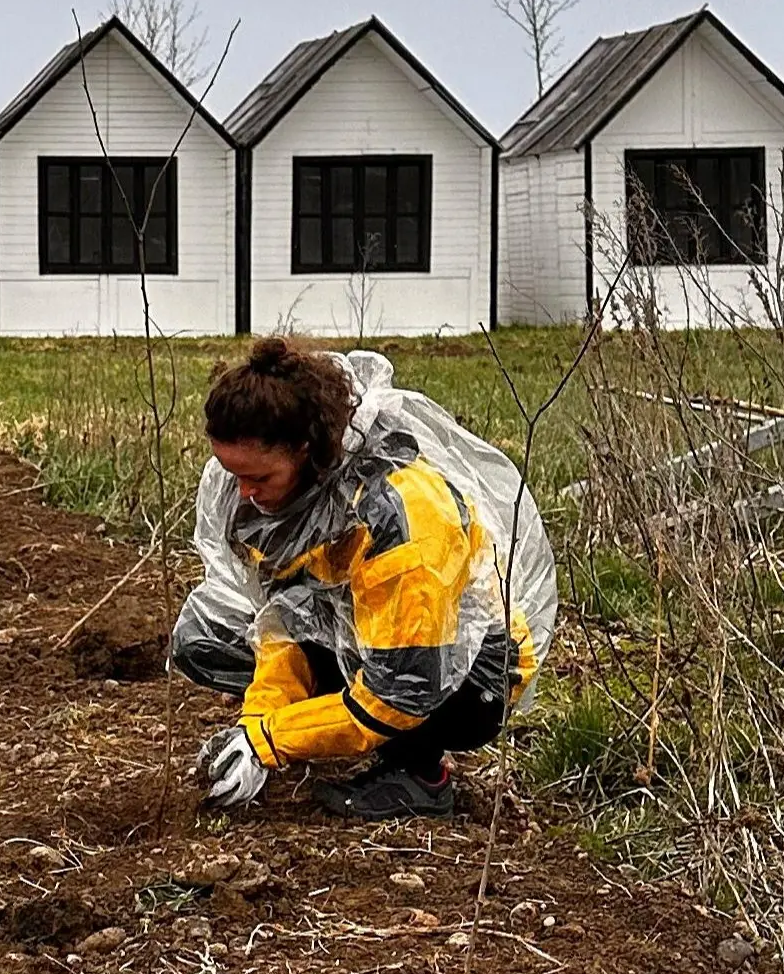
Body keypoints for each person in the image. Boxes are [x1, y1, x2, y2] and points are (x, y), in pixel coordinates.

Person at [173, 337, 556, 820]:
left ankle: (421, 775)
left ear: (304, 449)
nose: (244, 493)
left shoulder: (401, 515)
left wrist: (270, 741)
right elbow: (285, 622)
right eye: (234, 474)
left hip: (471, 671)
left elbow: (403, 687)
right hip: (365, 633)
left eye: (259, 478)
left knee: (405, 692)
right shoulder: (282, 500)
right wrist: (258, 723)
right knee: (205, 638)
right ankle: (323, 728)